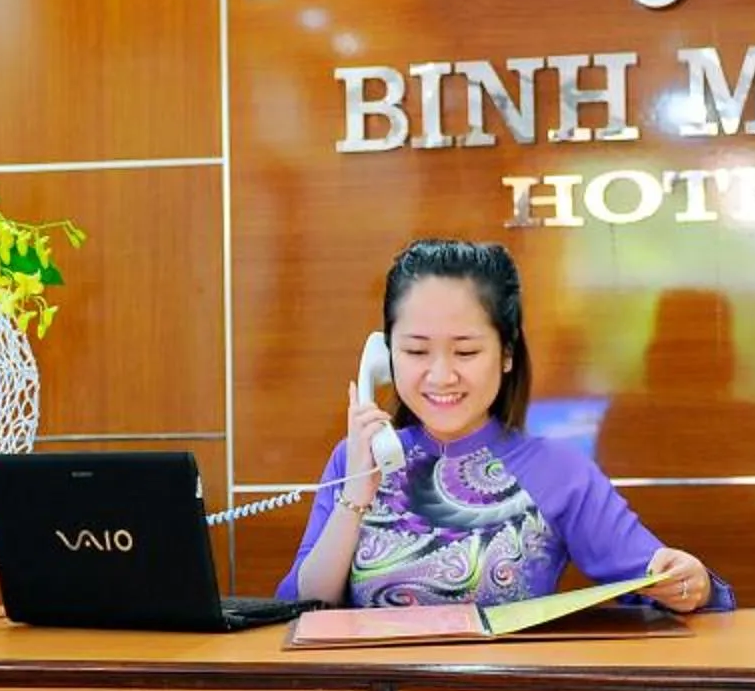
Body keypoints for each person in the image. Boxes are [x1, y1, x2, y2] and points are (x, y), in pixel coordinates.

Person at [278, 240, 726, 613]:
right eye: (415, 351)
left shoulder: (558, 470)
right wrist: (356, 494)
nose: (441, 376)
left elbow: (658, 578)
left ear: (506, 354)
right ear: (385, 356)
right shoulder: (354, 459)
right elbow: (303, 606)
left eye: (466, 352)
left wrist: (690, 583)